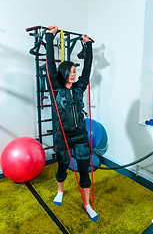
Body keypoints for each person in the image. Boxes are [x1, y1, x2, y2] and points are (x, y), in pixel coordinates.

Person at [46, 26, 98, 222]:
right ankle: (60, 191)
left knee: (84, 171)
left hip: (81, 136)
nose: (75, 74)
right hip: (63, 136)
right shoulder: (55, 87)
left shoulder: (80, 88)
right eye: (72, 71)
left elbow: (89, 67)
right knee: (62, 166)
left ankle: (87, 205)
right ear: (64, 72)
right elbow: (50, 63)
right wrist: (49, 37)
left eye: (75, 71)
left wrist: (89, 45)